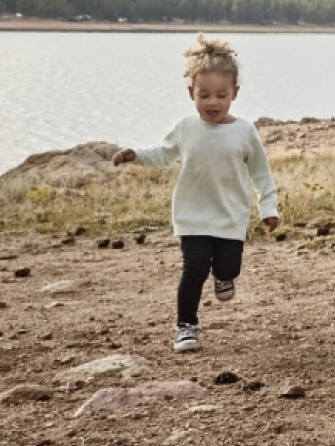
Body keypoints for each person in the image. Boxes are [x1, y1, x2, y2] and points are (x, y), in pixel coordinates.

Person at [112, 35, 280, 353]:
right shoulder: (186, 128)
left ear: (235, 94)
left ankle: (224, 276)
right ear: (192, 93)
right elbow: (163, 153)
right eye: (204, 95)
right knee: (194, 268)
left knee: (228, 267)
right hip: (192, 215)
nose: (212, 102)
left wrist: (268, 207)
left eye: (221, 95)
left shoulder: (244, 132)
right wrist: (136, 154)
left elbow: (261, 173)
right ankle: (186, 326)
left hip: (230, 216)